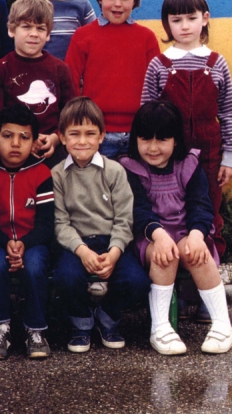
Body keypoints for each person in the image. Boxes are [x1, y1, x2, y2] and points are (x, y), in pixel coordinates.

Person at [120, 101, 232, 355]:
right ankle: (160, 328)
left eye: (162, 140)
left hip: (186, 232)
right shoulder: (129, 167)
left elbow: (201, 206)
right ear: (135, 139)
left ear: (175, 140)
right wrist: (158, 236)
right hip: (150, 238)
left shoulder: (189, 165)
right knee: (165, 255)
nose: (153, 147)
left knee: (198, 253)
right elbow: (138, 211)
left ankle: (222, 324)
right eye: (145, 139)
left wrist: (196, 236)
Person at [141, 0, 232, 257]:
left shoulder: (217, 63)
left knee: (208, 212)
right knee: (171, 212)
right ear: (167, 24)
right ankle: (173, 273)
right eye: (176, 20)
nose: (184, 26)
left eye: (191, 18)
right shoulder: (158, 65)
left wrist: (229, 157)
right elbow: (145, 115)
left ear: (205, 18)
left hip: (210, 154)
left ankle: (208, 275)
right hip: (169, 156)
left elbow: (229, 112)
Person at [51, 96, 150, 353]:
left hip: (110, 241)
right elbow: (61, 222)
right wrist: (81, 250)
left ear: (102, 136)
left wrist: (115, 252)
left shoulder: (115, 171)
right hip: (77, 244)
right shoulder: (57, 174)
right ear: (62, 137)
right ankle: (81, 322)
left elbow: (124, 219)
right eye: (74, 134)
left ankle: (107, 317)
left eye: (90, 134)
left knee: (137, 280)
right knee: (66, 277)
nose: (82, 141)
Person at [0, 103, 54, 360]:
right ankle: (0, 329)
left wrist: (24, 243)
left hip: (33, 242)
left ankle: (36, 330)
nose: (15, 144)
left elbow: (46, 223)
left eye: (24, 137)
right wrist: (7, 242)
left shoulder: (41, 172)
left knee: (34, 264)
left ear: (34, 143)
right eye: (7, 136)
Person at [65, 0, 161, 159]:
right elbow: (70, 82)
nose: (118, 4)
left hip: (139, 132)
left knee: (134, 189)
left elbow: (157, 85)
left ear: (136, 0)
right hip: (97, 133)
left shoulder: (147, 38)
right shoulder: (83, 36)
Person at [0, 0, 77, 164]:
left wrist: (55, 138)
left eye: (40, 28)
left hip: (52, 154)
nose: (33, 34)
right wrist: (22, 140)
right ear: (11, 30)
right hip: (12, 153)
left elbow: (70, 114)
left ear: (48, 34)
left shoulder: (60, 69)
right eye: (26, 27)